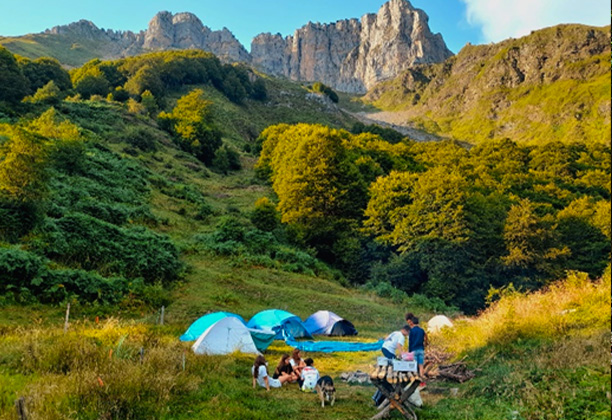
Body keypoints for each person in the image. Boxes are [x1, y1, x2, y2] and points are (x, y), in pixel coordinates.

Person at [408, 316, 429, 383]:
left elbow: (410, 341)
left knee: (414, 365)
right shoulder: (422, 330)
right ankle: (421, 379)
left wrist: (409, 351)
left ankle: (415, 379)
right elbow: (426, 338)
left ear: (412, 323)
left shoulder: (412, 331)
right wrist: (425, 344)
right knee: (421, 365)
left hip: (414, 349)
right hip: (421, 349)